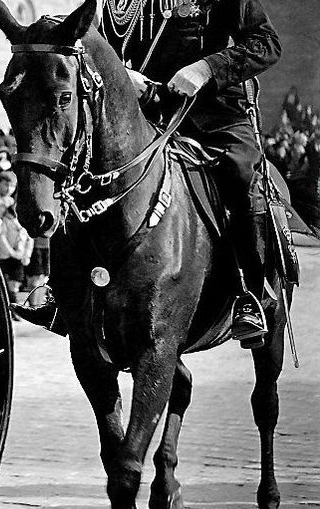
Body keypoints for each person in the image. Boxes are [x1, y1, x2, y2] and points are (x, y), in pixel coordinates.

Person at [19, 0, 281, 344]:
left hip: (212, 112)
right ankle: (61, 288)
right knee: (80, 174)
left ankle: (251, 291)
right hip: (141, 111)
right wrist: (120, 76)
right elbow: (90, 45)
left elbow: (266, 45)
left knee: (241, 170)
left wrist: (206, 68)